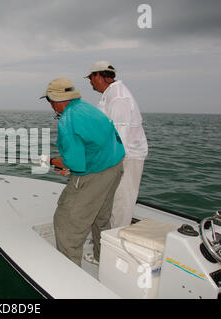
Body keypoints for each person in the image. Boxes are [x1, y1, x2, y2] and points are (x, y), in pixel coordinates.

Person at [40, 77, 125, 267]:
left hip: (95, 175)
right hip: (115, 167)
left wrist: (52, 161)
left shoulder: (68, 121)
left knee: (66, 223)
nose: (50, 104)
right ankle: (101, 258)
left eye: (48, 100)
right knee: (100, 218)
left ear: (55, 99)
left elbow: (76, 164)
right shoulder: (88, 109)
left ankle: (70, 277)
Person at [85, 61, 148, 228]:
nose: (90, 82)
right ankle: (104, 237)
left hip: (126, 158)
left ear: (99, 75)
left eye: (91, 78)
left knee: (121, 201)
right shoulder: (110, 94)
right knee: (110, 198)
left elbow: (120, 139)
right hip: (114, 155)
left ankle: (115, 240)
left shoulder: (119, 99)